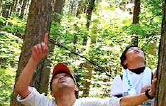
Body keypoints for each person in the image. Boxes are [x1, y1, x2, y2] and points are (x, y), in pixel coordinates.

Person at [15, 33, 156, 106]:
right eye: (56, 78)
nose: (61, 77)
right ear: (51, 92)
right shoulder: (44, 104)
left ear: (76, 88)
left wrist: (149, 95)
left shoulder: (89, 104)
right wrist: (34, 59)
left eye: (66, 75)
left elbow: (120, 103)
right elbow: (22, 89)